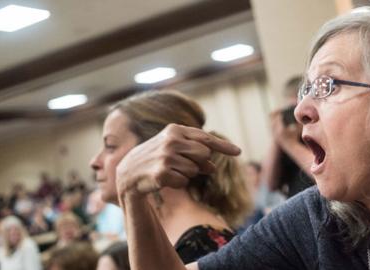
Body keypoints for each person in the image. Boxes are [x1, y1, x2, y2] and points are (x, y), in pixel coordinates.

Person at [113, 5, 370, 270]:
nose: (302, 108)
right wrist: (131, 192)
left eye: (327, 85)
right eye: (306, 89)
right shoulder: (316, 220)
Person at [89, 90, 252, 264]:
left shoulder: (201, 246)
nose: (94, 162)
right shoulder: (160, 241)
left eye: (111, 146)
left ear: (159, 151)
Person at [262, 76, 314, 198]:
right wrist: (277, 137)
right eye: (292, 109)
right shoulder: (289, 137)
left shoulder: (323, 130)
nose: (298, 113)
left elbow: (327, 174)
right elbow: (270, 184)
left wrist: (290, 144)